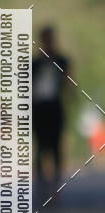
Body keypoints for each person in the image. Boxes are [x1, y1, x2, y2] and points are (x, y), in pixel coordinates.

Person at [32, 26, 72, 201]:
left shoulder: (61, 60)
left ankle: (56, 186)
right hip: (39, 109)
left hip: (55, 108)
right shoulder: (34, 64)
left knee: (56, 147)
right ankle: (42, 186)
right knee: (41, 147)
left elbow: (68, 81)